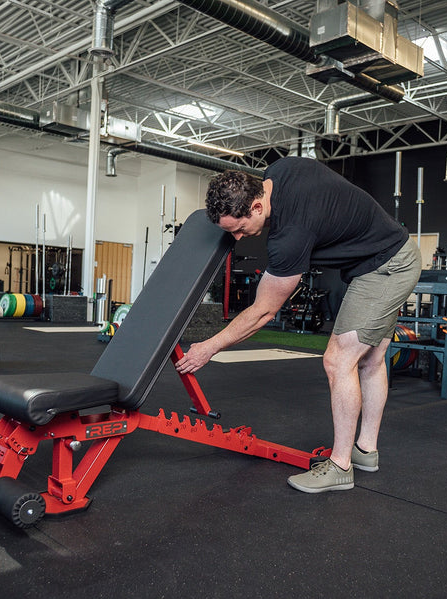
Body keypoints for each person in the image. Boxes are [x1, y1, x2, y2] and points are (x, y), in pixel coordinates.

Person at [175, 156, 421, 493]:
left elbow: (264, 312)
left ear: (257, 206)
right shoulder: (280, 170)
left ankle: (340, 467)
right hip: (391, 253)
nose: (240, 238)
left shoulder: (289, 235)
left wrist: (209, 347)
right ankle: (365, 451)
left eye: (239, 229)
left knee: (338, 359)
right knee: (372, 358)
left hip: (386, 267)